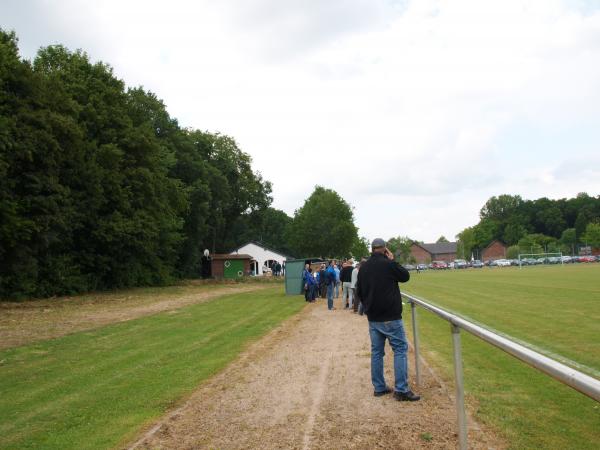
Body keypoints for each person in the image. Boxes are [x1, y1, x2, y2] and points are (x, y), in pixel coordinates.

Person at [357, 238, 420, 401]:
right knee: (400, 350)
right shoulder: (389, 264)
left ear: (372, 249)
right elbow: (405, 276)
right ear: (385, 249)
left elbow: (360, 292)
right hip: (390, 316)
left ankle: (379, 387)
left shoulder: (363, 268)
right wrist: (393, 260)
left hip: (374, 317)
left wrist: (368, 307)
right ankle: (401, 390)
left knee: (377, 352)